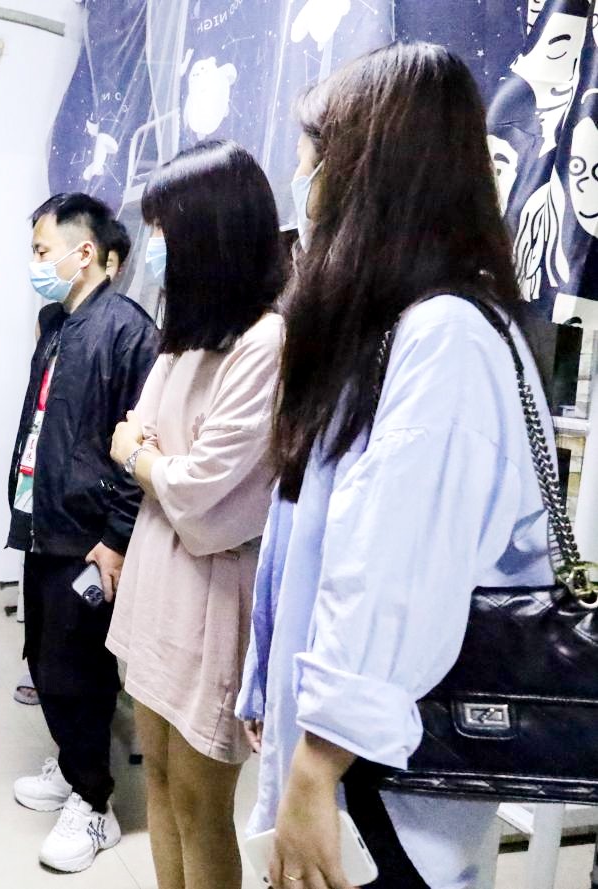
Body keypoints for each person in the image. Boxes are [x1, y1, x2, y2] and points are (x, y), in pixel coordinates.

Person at [237, 43, 552, 889]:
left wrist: (314, 770)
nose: (300, 182)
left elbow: (389, 580)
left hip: (381, 793)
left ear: (368, 173)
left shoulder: (444, 338)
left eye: (309, 158)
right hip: (355, 765)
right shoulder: (392, 332)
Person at [105, 140, 284, 889]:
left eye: (163, 229)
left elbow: (200, 498)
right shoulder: (183, 340)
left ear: (209, 234)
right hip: (157, 581)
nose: (154, 246)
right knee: (158, 783)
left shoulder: (266, 343)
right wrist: (156, 466)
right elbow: (138, 436)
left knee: (202, 803)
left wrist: (146, 462)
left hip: (211, 598)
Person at [8, 193, 157, 873]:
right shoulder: (56, 324)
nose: (36, 262)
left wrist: (118, 535)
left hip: (89, 535)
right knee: (43, 657)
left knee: (78, 672)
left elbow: (140, 443)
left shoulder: (127, 331)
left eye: (43, 250)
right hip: (44, 523)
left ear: (85, 252)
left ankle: (95, 804)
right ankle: (73, 766)